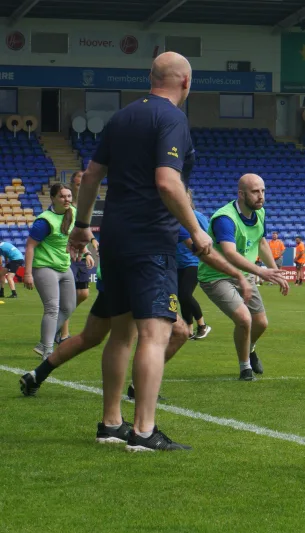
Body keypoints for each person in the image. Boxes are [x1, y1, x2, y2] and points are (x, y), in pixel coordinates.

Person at [67, 51, 212, 452]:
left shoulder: (121, 116)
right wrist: (196, 230)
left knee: (121, 332)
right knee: (156, 331)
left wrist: (82, 226)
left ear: (151, 78)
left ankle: (111, 423)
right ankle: (144, 432)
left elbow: (93, 174)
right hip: (151, 241)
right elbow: (167, 182)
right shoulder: (172, 119)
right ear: (185, 82)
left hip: (114, 237)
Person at [21, 229, 252, 401]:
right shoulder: (168, 213)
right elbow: (203, 253)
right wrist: (239, 274)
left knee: (91, 336)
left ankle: (37, 374)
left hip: (118, 277)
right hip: (147, 279)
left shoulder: (139, 206)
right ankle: (137, 394)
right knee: (174, 333)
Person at [198, 173, 290, 381]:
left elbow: (261, 242)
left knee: (261, 323)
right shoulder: (225, 218)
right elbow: (229, 253)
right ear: (241, 194)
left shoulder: (260, 213)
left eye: (263, 191)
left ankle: (250, 349)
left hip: (245, 275)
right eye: (255, 192)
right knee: (244, 319)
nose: (261, 196)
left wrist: (274, 271)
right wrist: (261, 271)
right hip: (216, 276)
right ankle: (245, 368)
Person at [24, 184, 79, 359]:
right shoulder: (44, 221)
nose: (67, 200)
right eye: (62, 196)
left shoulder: (73, 212)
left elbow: (77, 234)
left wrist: (85, 252)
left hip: (64, 265)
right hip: (44, 267)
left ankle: (43, 343)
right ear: (53, 198)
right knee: (52, 308)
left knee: (68, 307)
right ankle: (47, 349)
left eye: (69, 196)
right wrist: (27, 273)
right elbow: (30, 247)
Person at [60, 171, 96, 343]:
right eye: (78, 184)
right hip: (67, 254)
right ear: (73, 186)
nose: (80, 187)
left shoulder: (85, 207)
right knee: (69, 295)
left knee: (83, 293)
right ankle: (63, 335)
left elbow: (82, 232)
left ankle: (58, 319)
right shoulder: (65, 207)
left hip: (81, 253)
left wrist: (88, 251)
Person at [178, 189, 211, 340]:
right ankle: (189, 330)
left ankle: (203, 325)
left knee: (185, 294)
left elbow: (208, 237)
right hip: (176, 263)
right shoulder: (173, 217)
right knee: (181, 297)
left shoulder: (198, 217)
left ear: (189, 199)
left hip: (193, 262)